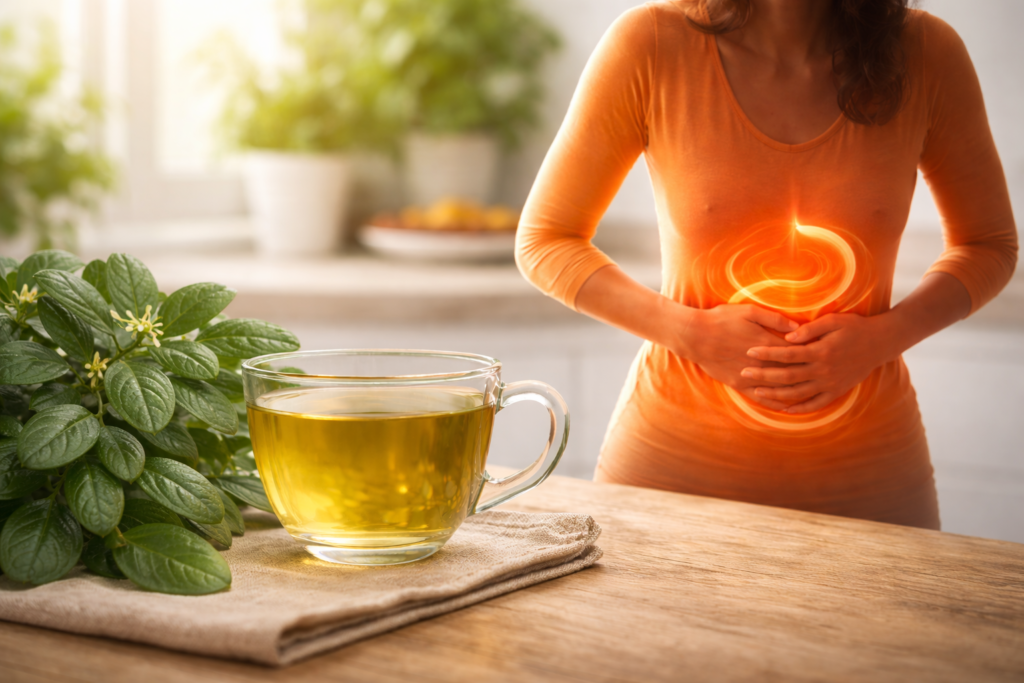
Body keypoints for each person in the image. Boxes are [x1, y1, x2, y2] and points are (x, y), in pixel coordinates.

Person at [515, 0, 1018, 529]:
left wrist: (882, 338)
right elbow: (546, 240)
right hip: (671, 473)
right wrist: (690, 333)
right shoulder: (652, 43)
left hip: (871, 480)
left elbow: (989, 244)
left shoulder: (926, 53)